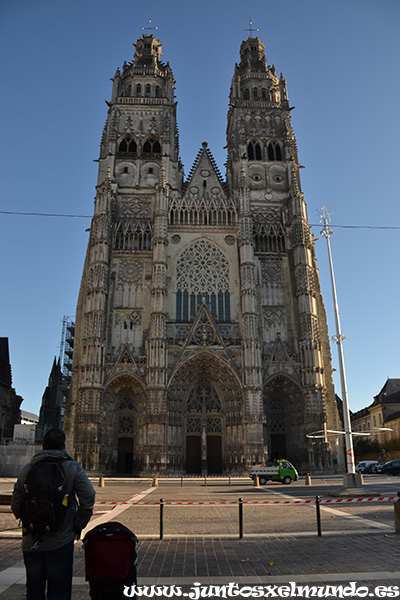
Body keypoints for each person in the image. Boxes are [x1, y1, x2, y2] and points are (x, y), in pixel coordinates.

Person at [12, 428, 95, 600]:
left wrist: (29, 519)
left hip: (31, 541)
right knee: (58, 592)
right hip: (60, 541)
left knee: (33, 592)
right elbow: (88, 496)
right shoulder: (72, 468)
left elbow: (16, 503)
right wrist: (77, 525)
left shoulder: (28, 468)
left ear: (43, 445)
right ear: (64, 446)